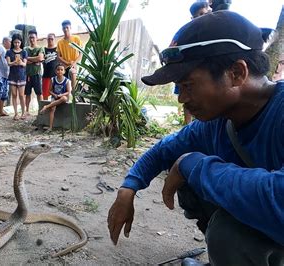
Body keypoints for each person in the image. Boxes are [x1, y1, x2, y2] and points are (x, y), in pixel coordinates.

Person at [107, 11, 284, 266]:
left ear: (236, 73)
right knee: (187, 177)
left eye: (188, 85)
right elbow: (164, 150)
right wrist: (128, 187)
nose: (181, 99)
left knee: (228, 233)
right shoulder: (218, 122)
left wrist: (196, 166)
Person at [173, 1, 211, 125]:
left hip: (206, 68)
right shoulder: (185, 31)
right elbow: (172, 48)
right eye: (200, 14)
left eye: (206, 13)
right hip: (186, 68)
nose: (203, 16)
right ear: (192, 18)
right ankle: (188, 124)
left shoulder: (214, 29)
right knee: (187, 96)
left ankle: (202, 124)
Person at [39, 64, 71, 132]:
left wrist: (61, 95)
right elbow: (50, 90)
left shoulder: (67, 81)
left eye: (61, 70)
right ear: (55, 71)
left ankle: (46, 106)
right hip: (55, 97)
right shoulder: (53, 79)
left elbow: (68, 92)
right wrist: (54, 95)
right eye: (58, 70)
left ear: (64, 71)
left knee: (64, 98)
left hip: (63, 97)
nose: (60, 71)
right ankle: (50, 127)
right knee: (52, 108)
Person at [5, 33, 27, 120]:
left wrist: (20, 62)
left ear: (21, 42)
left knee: (21, 95)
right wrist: (14, 62)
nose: (17, 44)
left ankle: (23, 113)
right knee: (14, 95)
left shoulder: (24, 52)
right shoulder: (9, 52)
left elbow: (25, 64)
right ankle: (16, 113)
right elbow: (8, 63)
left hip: (21, 76)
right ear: (12, 43)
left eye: (18, 42)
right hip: (12, 76)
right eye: (15, 42)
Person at [57, 20, 82, 90]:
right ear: (62, 29)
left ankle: (74, 94)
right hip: (64, 66)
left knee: (72, 72)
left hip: (75, 66)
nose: (65, 29)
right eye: (64, 28)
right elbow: (58, 57)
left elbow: (81, 54)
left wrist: (74, 63)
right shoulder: (60, 42)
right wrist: (67, 63)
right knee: (63, 87)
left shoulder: (76, 39)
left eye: (67, 27)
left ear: (70, 27)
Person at [24, 29, 44, 116]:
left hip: (37, 74)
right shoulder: (25, 49)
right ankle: (27, 110)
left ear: (36, 38)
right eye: (30, 38)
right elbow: (24, 60)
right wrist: (34, 60)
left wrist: (28, 59)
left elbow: (40, 58)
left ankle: (41, 110)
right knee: (27, 93)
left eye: (33, 37)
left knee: (39, 93)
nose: (31, 39)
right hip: (27, 74)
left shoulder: (40, 48)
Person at [42, 33, 58, 100]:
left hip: (56, 76)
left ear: (54, 39)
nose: (50, 40)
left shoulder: (58, 49)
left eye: (52, 39)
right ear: (46, 39)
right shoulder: (43, 49)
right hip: (46, 75)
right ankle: (45, 108)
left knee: (56, 94)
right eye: (49, 39)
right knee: (45, 94)